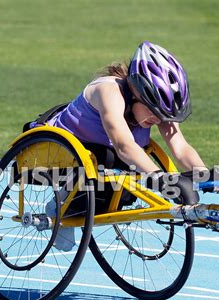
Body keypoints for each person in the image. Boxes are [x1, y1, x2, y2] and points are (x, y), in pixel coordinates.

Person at [41, 41, 208, 251]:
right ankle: (60, 205)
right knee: (112, 158)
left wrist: (205, 175)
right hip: (59, 151)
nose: (159, 120)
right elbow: (123, 145)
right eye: (154, 112)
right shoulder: (108, 90)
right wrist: (161, 178)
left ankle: (78, 205)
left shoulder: (155, 107)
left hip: (101, 160)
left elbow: (180, 147)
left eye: (163, 115)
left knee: (124, 172)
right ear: (137, 92)